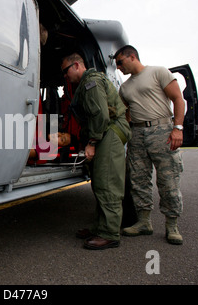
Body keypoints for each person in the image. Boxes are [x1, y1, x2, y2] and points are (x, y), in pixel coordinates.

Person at [114, 45, 185, 245]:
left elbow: (178, 99)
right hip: (137, 134)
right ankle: (144, 222)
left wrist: (177, 128)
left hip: (162, 130)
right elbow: (125, 112)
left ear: (132, 56)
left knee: (168, 180)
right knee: (138, 180)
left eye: (120, 62)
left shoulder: (158, 72)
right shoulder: (124, 88)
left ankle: (172, 226)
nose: (118, 67)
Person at [61, 52, 131, 250]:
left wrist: (91, 142)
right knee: (100, 182)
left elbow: (100, 115)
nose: (65, 76)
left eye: (66, 71)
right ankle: (101, 227)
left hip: (108, 132)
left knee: (107, 183)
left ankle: (109, 234)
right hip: (105, 134)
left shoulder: (90, 82)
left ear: (76, 65)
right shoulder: (85, 84)